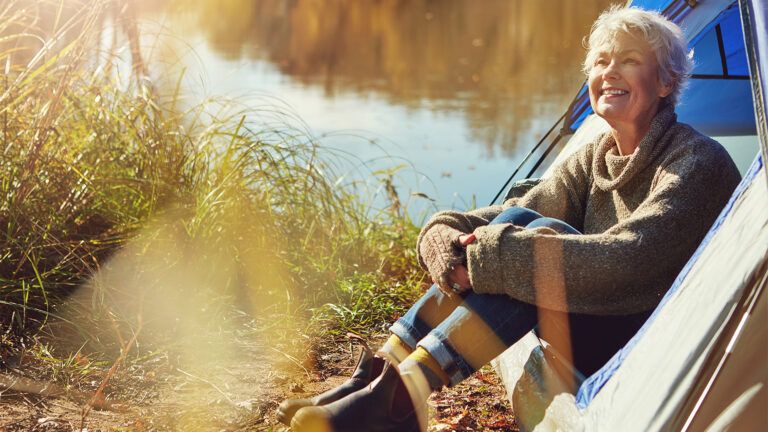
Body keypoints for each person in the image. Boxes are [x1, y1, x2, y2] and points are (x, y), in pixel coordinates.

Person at [279, 6, 742, 432]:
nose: (609, 73)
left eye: (630, 60)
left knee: (536, 246)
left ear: (666, 82)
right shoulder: (598, 153)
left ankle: (405, 396)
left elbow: (634, 259)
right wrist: (448, 227)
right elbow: (528, 206)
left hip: (653, 343)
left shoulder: (697, 161)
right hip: (598, 319)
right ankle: (379, 376)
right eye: (601, 62)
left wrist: (500, 254)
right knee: (527, 226)